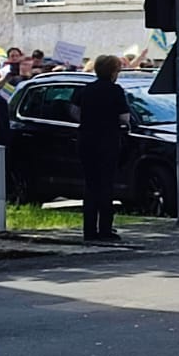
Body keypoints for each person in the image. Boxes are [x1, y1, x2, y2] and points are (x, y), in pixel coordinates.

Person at [70, 55, 129, 243]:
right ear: (113, 72)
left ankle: (89, 230)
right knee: (106, 185)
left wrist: (87, 120)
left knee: (90, 184)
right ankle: (104, 228)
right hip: (107, 140)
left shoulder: (86, 89)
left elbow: (73, 110)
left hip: (86, 139)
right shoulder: (115, 90)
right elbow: (125, 118)